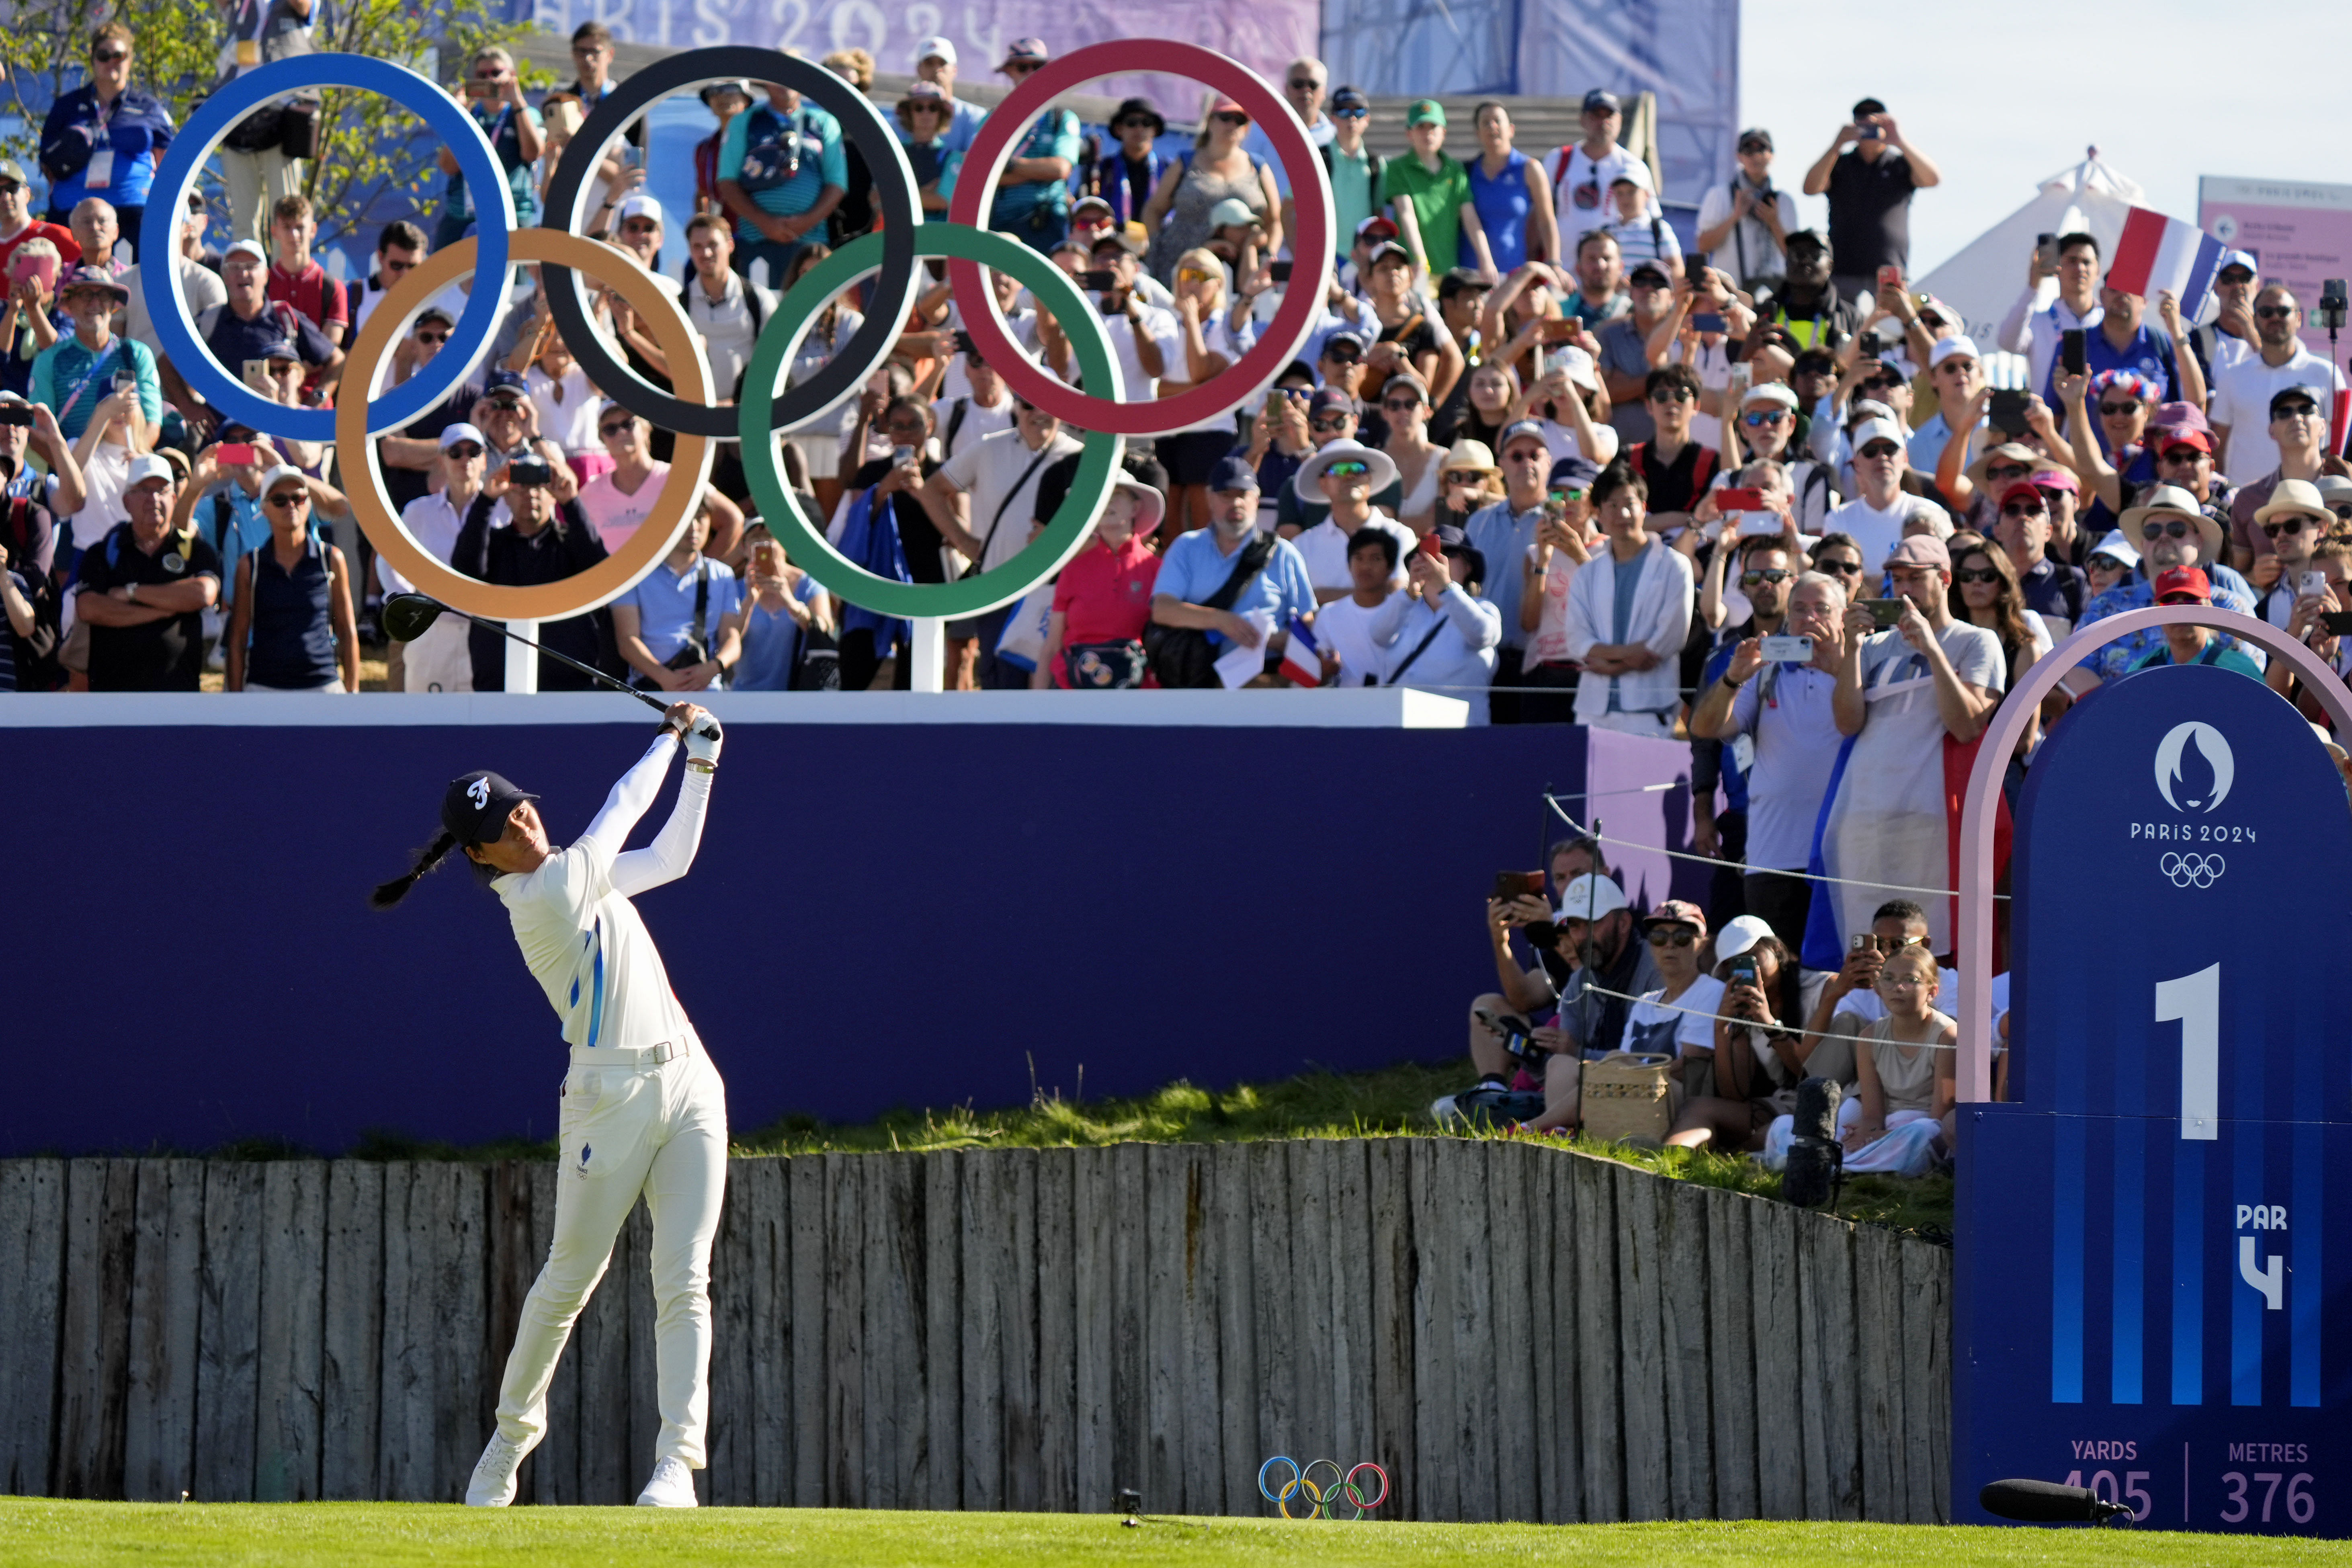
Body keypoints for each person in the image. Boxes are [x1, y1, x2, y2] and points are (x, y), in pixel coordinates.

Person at [368, 703, 729, 1511]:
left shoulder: (579, 871)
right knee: (570, 1278)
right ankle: (507, 1445)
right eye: (501, 822)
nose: (520, 819)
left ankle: (677, 1465)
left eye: (517, 802)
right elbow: (623, 809)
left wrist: (702, 767)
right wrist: (670, 738)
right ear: (480, 854)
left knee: (684, 1279)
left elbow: (669, 857)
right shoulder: (545, 895)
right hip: (608, 1100)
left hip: (691, 1081)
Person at [1818, 535, 2003, 957]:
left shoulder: (1975, 641)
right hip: (1862, 818)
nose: (1903, 589)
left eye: (1915, 578)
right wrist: (1851, 650)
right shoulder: (1875, 646)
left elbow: (1967, 725)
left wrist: (1932, 649)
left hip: (1929, 822)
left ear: (1944, 579)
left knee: (1926, 955)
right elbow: (1846, 723)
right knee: (1865, 954)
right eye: (1896, 579)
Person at [1688, 567, 1846, 952]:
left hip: (1843, 858)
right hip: (1772, 856)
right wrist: (1731, 679)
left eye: (1822, 608)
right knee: (1777, 981)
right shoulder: (1764, 671)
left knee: (1839, 979)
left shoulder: (1866, 665)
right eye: (1800, 609)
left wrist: (1841, 665)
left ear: (1844, 615)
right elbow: (1707, 727)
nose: (1809, 618)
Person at [917, 396, 1082, 688]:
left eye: (1049, 404)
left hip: (1059, 594)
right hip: (999, 588)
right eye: (1030, 404)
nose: (1039, 413)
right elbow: (932, 492)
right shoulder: (987, 447)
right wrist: (965, 542)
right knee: (1002, 686)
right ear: (1016, 407)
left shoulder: (1081, 457)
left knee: (1059, 684)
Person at [1149, 455, 1317, 687]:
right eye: (1226, 495)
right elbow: (1163, 610)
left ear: (1256, 499)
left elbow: (1308, 623)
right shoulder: (1186, 547)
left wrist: (1271, 640)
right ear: (1209, 498)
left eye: (1243, 495)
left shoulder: (1283, 553)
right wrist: (1220, 620)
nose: (1236, 503)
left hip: (1266, 680)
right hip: (1197, 679)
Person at [451, 457, 615, 691]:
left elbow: (601, 575)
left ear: (552, 494)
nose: (531, 495)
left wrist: (571, 503)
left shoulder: (572, 541)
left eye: (539, 487)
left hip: (571, 687)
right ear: (505, 498)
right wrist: (486, 500)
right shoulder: (493, 545)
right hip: (498, 685)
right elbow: (464, 572)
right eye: (520, 489)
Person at [2072, 485, 2257, 689]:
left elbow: (2246, 681)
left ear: (2199, 540)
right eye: (2152, 530)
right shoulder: (2105, 606)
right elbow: (2077, 667)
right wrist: (2120, 712)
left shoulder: (2231, 606)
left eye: (2176, 529)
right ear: (2143, 543)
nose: (2163, 536)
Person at [1563, 459, 1694, 736]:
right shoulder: (1588, 572)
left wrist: (1612, 666)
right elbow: (1577, 640)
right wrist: (1627, 657)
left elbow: (1670, 638)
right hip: (1593, 710)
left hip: (1650, 709)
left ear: (1644, 508)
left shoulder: (1675, 565)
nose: (1622, 513)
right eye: (1612, 505)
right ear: (1598, 513)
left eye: (1630, 503)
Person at [161, 240, 340, 434]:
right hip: (223, 438)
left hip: (279, 437)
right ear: (225, 277)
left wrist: (316, 400)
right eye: (234, 268)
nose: (243, 274)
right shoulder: (209, 321)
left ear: (266, 276)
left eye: (251, 267)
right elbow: (166, 361)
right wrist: (188, 406)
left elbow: (337, 361)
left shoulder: (287, 319)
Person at [72, 453, 216, 690]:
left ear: (174, 497)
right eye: (144, 490)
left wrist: (131, 593)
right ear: (127, 501)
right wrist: (167, 609)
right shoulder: (102, 552)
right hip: (114, 700)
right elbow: (89, 608)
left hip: (178, 699)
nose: (154, 498)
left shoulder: (196, 550)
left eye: (162, 490)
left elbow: (202, 594)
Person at [38, 23, 172, 258]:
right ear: (93, 61)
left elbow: (167, 164)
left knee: (134, 283)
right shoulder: (67, 106)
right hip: (73, 209)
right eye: (104, 56)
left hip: (133, 209)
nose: (112, 62)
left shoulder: (148, 107)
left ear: (130, 61)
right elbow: (47, 161)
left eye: (119, 56)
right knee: (69, 284)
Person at [1666, 921, 1799, 1152]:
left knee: (1734, 1140)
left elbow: (1811, 1074)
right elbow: (1734, 1094)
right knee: (1698, 1107)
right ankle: (1664, 1166)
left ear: (1777, 949)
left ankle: (1673, 1165)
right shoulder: (1744, 1010)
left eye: (1751, 958)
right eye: (1733, 965)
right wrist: (1722, 1027)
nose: (1745, 971)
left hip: (1818, 1107)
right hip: (1773, 1107)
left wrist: (1768, 1022)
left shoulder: (1818, 988)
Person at [223, 464, 355, 692]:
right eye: (280, 500)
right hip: (264, 686)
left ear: (309, 503)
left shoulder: (331, 558)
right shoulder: (250, 565)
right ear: (264, 509)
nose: (291, 506)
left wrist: (353, 692)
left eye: (299, 498)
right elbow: (238, 639)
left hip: (323, 684)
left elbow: (347, 630)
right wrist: (237, 700)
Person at [1799, 98, 1940, 307]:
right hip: (1843, 267)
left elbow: (1933, 179)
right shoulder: (1840, 163)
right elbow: (1811, 188)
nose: (1869, 124)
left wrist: (1900, 141)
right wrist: (1837, 145)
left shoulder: (1900, 164)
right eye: (1862, 120)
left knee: (1892, 326)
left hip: (1889, 268)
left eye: (1876, 119)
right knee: (1841, 330)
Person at [2210, 287, 2349, 487]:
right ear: (2255, 320)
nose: (2275, 317)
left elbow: (2337, 446)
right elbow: (2219, 445)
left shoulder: (2328, 374)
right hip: (2244, 498)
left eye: (2284, 312)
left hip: (2309, 498)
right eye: (2266, 313)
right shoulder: (2233, 376)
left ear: (2299, 318)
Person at [1034, 475, 1162, 689]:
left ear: (1136, 508)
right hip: (1072, 690)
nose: (1109, 501)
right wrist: (1036, 706)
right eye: (1103, 495)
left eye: (1118, 495)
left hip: (1136, 694)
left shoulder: (1157, 569)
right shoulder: (1073, 568)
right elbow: (1052, 645)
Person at [717, 80, 845, 290]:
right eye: (777, 78)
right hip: (756, 240)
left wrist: (806, 222)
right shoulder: (745, 121)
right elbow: (727, 182)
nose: (785, 83)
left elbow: (837, 183)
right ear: (765, 84)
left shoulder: (824, 122)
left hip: (811, 243)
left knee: (809, 311)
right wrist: (765, 222)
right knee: (761, 313)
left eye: (792, 77)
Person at [1141, 100, 1279, 284]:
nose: (1232, 125)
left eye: (1240, 120)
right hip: (1181, 265)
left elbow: (1275, 221)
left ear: (1247, 128)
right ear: (1210, 121)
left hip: (1241, 271)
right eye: (1225, 117)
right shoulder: (1186, 162)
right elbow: (1153, 210)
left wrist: (1267, 253)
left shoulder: (1258, 166)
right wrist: (1157, 246)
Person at [1371, 524, 1500, 716]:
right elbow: (1378, 635)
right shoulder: (1403, 606)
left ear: (1468, 567)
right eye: (1428, 553)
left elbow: (1482, 635)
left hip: (1459, 734)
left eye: (1449, 553)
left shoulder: (1483, 608)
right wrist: (1409, 592)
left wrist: (1447, 587)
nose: (1437, 560)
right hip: (1400, 729)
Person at [612, 504, 743, 693]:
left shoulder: (722, 575)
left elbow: (732, 638)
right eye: (686, 516)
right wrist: (664, 678)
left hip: (709, 693)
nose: (694, 526)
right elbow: (627, 640)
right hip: (650, 692)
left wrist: (714, 668)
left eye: (701, 517)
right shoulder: (633, 575)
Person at [31, 264, 157, 445]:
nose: (95, 303)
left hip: (126, 465)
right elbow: (40, 434)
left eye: (104, 296)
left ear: (114, 305)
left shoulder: (137, 354)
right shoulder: (49, 360)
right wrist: (72, 471)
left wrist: (133, 460)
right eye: (86, 294)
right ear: (70, 304)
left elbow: (153, 423)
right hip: (71, 463)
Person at [434, 48, 544, 248]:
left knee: (519, 279)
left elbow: (532, 153)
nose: (490, 80)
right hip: (464, 214)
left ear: (511, 76)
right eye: (482, 75)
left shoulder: (525, 114)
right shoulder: (468, 115)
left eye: (496, 73)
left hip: (513, 215)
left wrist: (517, 102)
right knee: (445, 275)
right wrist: (459, 114)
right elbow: (448, 166)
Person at [2228, 384, 2338, 572]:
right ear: (2271, 431)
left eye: (2306, 410)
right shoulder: (2248, 498)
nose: (2296, 418)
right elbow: (2237, 572)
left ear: (2323, 426)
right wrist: (2254, 578)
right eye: (2284, 412)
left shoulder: (2346, 488)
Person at [1289, 439, 1414, 602]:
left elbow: (1398, 593)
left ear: (1369, 479)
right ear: (1323, 484)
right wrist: (1375, 593)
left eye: (1358, 469)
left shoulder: (1401, 535)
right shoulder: (1302, 546)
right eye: (1338, 470)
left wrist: (1322, 596)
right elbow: (1298, 605)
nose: (1349, 476)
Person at [1820, 416, 1948, 574]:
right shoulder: (1839, 519)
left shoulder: (1932, 513)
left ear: (1905, 458)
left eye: (1890, 449)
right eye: (1870, 452)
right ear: (1856, 464)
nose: (1882, 457)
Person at [1384, 101, 1494, 282]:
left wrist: (1486, 260)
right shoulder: (1398, 169)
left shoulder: (1456, 170)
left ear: (1444, 132)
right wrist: (1420, 259)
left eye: (1433, 127)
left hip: (1449, 271)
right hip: (1414, 271)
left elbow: (1470, 219)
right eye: (1421, 127)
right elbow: (1407, 215)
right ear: (1409, 134)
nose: (1428, 133)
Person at [1994, 231, 2102, 400]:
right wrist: (2033, 286)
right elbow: (2007, 341)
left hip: (2101, 420)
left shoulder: (2109, 322)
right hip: (2047, 421)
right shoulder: (2038, 321)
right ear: (2058, 267)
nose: (2080, 268)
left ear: (2098, 271)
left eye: (2087, 262)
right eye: (2072, 261)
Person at [1694, 128, 1796, 293]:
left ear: (1772, 155)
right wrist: (1735, 216)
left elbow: (1793, 256)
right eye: (1748, 150)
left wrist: (1774, 222)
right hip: (1730, 293)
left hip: (1773, 292)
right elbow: (1703, 245)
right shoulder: (1720, 196)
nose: (1755, 156)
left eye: (1761, 150)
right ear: (1739, 157)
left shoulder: (1785, 202)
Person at [1465, 102, 1555, 276]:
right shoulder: (1467, 173)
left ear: (1511, 129)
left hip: (1515, 274)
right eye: (1485, 122)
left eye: (1498, 121)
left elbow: (1546, 221)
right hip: (1472, 275)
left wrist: (1554, 263)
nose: (1492, 126)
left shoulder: (1529, 169)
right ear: (1477, 134)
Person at [2127, 564, 2264, 678]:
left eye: (2191, 601)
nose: (2181, 611)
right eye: (2169, 602)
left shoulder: (2240, 670)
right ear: (2156, 612)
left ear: (2210, 608)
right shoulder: (2141, 672)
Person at [1987, 480, 2085, 639]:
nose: (2023, 517)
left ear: (2048, 532)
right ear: (1997, 532)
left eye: (2033, 510)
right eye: (2012, 510)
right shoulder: (1983, 580)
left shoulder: (2073, 581)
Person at [1544, 90, 1644, 229]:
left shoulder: (1634, 166)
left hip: (1616, 249)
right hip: (1563, 251)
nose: (1603, 122)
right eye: (1596, 115)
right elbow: (1538, 212)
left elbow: (1648, 220)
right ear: (1582, 120)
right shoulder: (1558, 159)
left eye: (1610, 115)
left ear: (1620, 121)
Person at [1753, 230, 1856, 355]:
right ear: (1786, 262)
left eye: (1814, 254)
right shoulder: (1763, 314)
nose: (1805, 261)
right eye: (1797, 254)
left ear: (1830, 266)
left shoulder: (1850, 318)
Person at [264, 193, 346, 348]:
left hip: (318, 372)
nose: (294, 235)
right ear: (274, 232)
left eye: (300, 227)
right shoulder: (263, 284)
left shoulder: (333, 288)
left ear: (313, 229)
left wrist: (300, 370)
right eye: (287, 227)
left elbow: (330, 350)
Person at [906, 37, 989, 155]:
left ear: (955, 70)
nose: (936, 69)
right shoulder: (903, 115)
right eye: (929, 63)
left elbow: (975, 160)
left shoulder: (975, 117)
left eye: (942, 63)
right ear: (919, 69)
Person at [1596, 162, 1678, 271]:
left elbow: (1675, 267)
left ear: (1647, 195)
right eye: (1620, 193)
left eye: (1632, 192)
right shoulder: (1606, 232)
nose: (1625, 199)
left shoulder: (1660, 229)